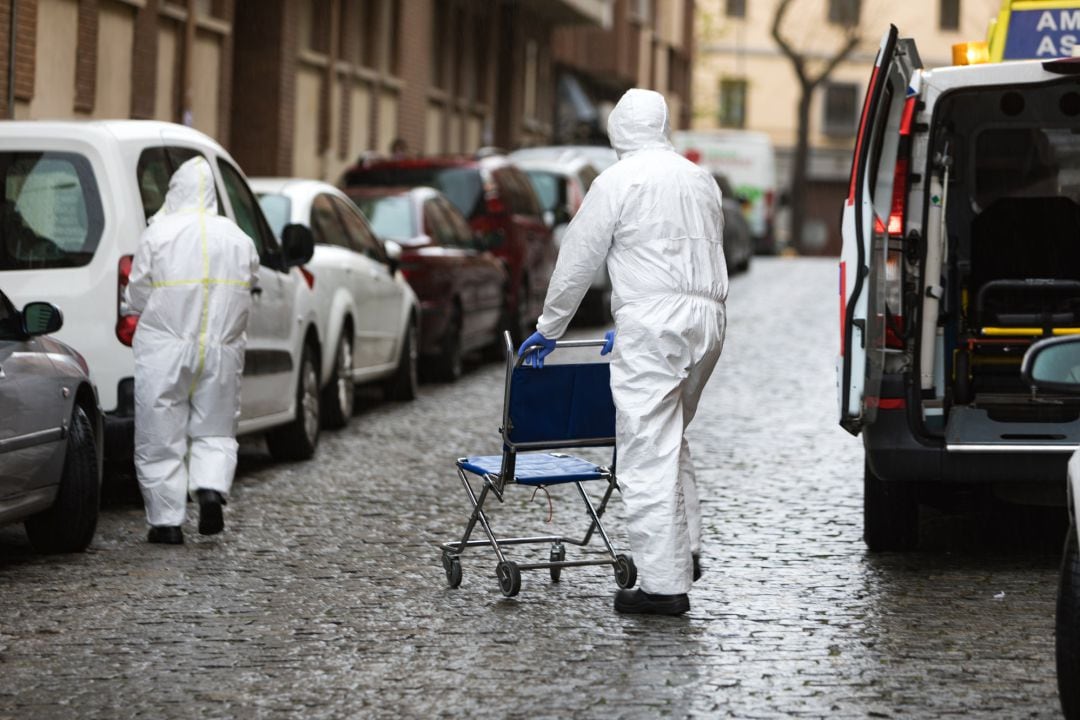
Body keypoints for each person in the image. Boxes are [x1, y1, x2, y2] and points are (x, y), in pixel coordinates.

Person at [518, 89, 728, 616]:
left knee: (646, 450)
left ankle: (663, 586)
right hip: (708, 320)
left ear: (618, 131)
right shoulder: (698, 179)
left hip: (654, 323)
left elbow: (577, 257)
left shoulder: (617, 180)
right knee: (671, 436)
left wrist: (550, 327)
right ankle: (688, 549)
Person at [126, 156, 260, 544]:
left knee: (160, 432)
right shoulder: (238, 237)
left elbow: (137, 292)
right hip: (221, 349)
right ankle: (209, 489)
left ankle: (166, 523)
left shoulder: (159, 233)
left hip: (165, 349)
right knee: (215, 428)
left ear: (175, 192)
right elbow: (251, 282)